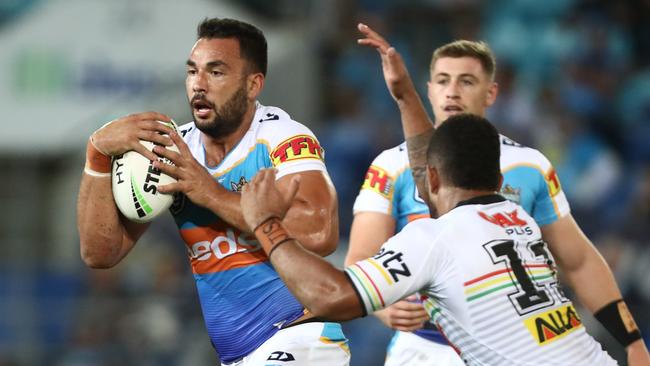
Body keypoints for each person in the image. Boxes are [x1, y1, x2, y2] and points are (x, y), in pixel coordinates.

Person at [347, 23, 650, 365]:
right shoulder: (390, 165)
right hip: (426, 348)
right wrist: (384, 307)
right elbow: (360, 256)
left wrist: (632, 339)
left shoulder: (530, 166)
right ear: (429, 91)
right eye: (443, 81)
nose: (452, 92)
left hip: (521, 348)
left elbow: (578, 260)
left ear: (491, 93)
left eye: (467, 81)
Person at [240, 114, 650, 366]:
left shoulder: (433, 237)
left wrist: (265, 225)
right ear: (499, 180)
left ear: (431, 180)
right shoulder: (519, 219)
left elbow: (331, 296)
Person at [77, 18, 349, 366]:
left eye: (216, 73)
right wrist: (97, 156)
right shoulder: (176, 150)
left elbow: (320, 233)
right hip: (236, 356)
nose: (198, 85)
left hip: (301, 338)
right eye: (192, 72)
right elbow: (100, 253)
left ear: (253, 85)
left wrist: (209, 192)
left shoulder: (282, 137)